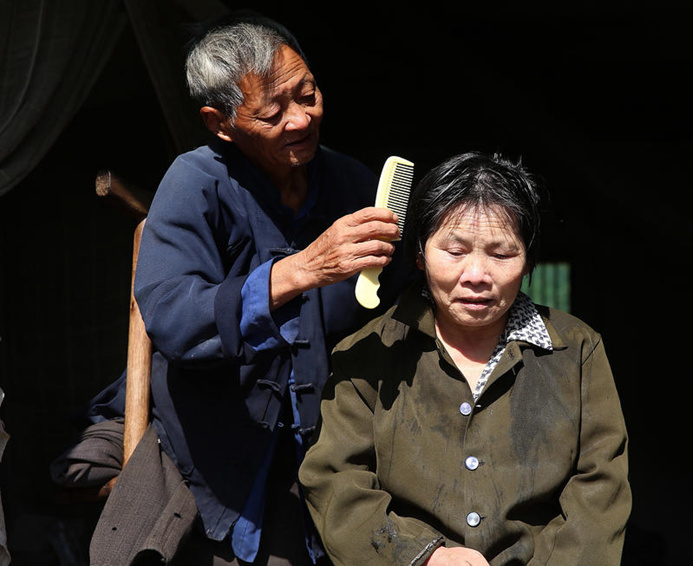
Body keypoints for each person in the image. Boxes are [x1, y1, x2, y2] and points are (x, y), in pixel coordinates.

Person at [88, 11, 412, 566]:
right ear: (220, 123)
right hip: (217, 457)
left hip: (337, 457)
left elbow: (397, 304)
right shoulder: (195, 183)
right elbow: (171, 317)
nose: (301, 119)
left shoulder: (353, 183)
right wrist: (303, 269)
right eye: (272, 112)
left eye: (307, 94)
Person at [299, 151, 632, 565]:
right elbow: (335, 483)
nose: (477, 274)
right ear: (419, 256)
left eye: (502, 254)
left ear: (528, 260)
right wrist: (422, 557)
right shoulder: (368, 355)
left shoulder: (577, 351)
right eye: (455, 252)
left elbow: (600, 489)